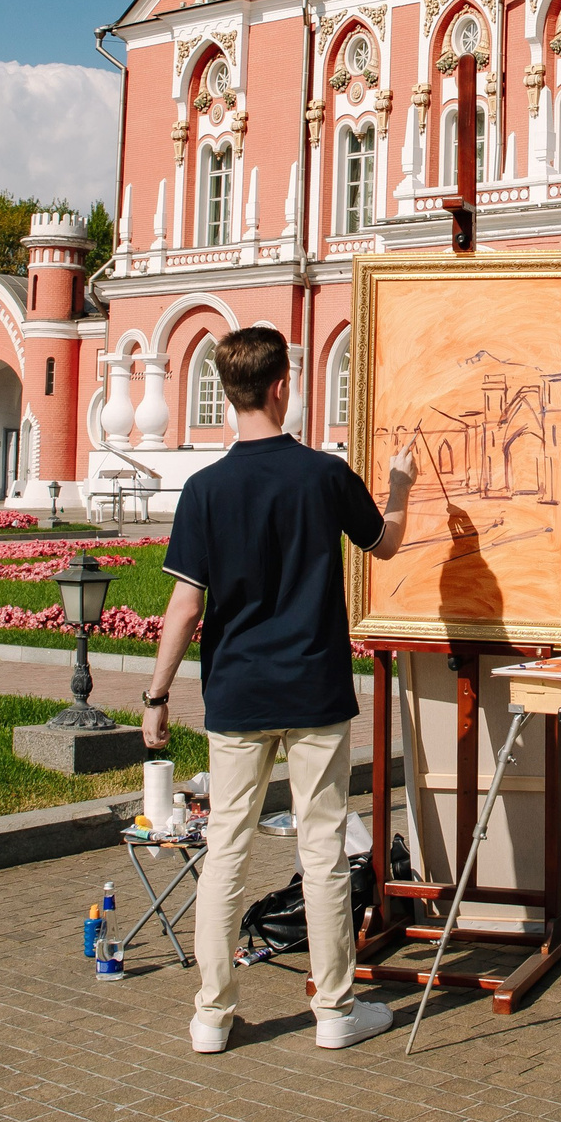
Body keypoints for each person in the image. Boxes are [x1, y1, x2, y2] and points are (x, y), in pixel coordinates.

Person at [140, 325, 415, 1055]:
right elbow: (384, 543)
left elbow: (186, 607)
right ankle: (334, 1011)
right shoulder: (322, 475)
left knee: (226, 848)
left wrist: (156, 696)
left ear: (228, 393)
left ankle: (212, 1015)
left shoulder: (202, 489)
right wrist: (400, 487)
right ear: (282, 387)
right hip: (315, 690)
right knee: (322, 848)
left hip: (236, 694)